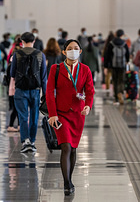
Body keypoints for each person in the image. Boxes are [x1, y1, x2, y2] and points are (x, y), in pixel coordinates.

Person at [46, 39, 95, 196]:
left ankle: (70, 178)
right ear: (64, 52)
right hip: (60, 114)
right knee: (65, 146)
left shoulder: (85, 70)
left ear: (80, 51)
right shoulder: (56, 68)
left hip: (78, 114)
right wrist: (52, 114)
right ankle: (66, 183)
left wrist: (88, 105)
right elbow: (49, 92)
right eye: (69, 48)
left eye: (75, 48)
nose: (72, 50)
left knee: (73, 148)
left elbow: (90, 91)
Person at [10, 32, 47, 153]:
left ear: (22, 41)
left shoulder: (17, 54)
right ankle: (32, 141)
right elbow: (43, 77)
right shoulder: (40, 55)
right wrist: (45, 94)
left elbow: (12, 73)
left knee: (23, 116)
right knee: (34, 116)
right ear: (34, 41)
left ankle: (25, 141)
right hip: (35, 90)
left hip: (20, 90)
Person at [103, 29, 129, 104]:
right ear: (122, 35)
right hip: (122, 65)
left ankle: (116, 98)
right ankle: (120, 92)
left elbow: (107, 56)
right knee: (121, 80)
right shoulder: (124, 44)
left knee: (115, 81)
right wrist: (126, 62)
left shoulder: (111, 44)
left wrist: (106, 66)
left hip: (113, 66)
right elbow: (127, 55)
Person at [6, 38, 23, 132]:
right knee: (16, 109)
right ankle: (11, 125)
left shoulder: (10, 65)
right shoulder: (14, 65)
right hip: (14, 89)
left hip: (12, 89)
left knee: (17, 109)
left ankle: (19, 125)